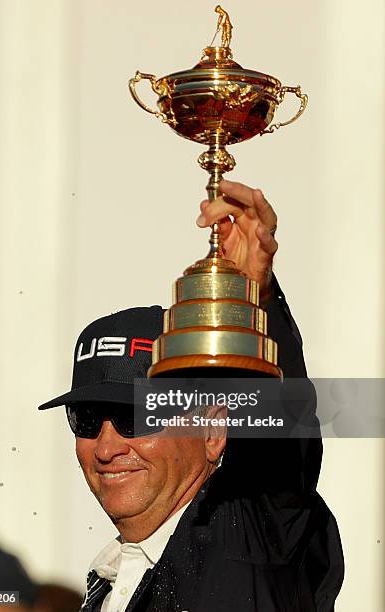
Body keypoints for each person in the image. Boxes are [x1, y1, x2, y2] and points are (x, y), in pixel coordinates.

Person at [39, 180, 344, 611]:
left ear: (214, 430)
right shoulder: (107, 585)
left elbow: (283, 436)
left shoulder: (252, 530)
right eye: (87, 418)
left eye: (137, 415)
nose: (106, 446)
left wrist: (252, 296)